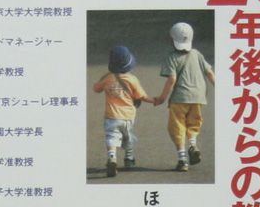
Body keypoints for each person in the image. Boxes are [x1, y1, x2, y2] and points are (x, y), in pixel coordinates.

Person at [92, 45, 158, 177]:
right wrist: (155, 100)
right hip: (128, 117)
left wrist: (105, 76)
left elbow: (96, 88)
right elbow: (142, 96)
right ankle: (129, 158)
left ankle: (112, 158)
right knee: (128, 138)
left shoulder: (108, 78)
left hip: (111, 117)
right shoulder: (132, 79)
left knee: (112, 137)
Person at [159, 21, 215, 172]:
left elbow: (172, 80)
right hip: (198, 97)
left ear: (172, 39)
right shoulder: (197, 54)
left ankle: (182, 159)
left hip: (180, 99)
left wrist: (162, 98)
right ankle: (192, 144)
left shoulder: (172, 57)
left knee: (177, 127)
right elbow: (210, 72)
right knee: (193, 123)